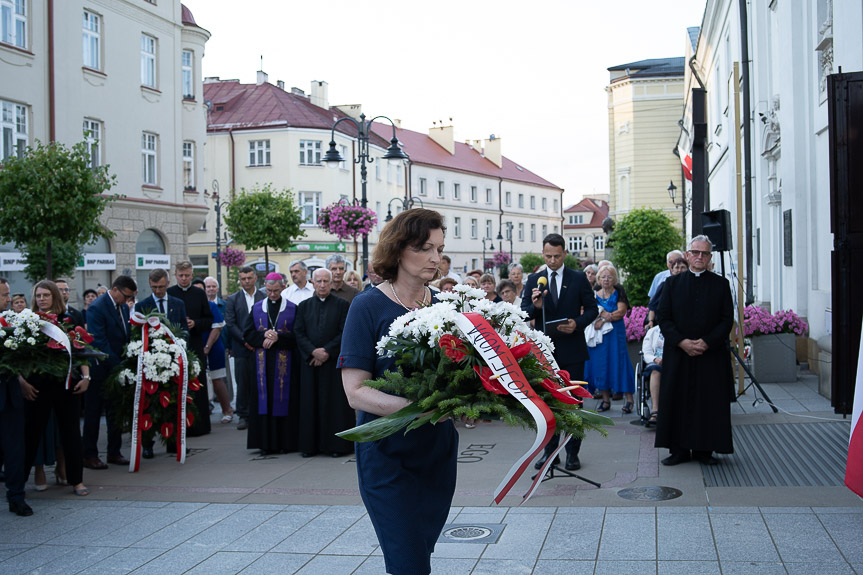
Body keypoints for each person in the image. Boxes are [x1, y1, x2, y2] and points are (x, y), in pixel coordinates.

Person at [338, 209, 458, 575]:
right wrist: (416, 409)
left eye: (439, 249)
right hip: (387, 456)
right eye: (425, 248)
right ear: (399, 249)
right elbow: (355, 392)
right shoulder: (367, 306)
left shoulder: (447, 307)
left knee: (420, 551)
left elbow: (459, 379)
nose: (436, 259)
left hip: (437, 454)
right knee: (408, 562)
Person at [655, 235, 734, 466]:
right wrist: (682, 342)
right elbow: (663, 317)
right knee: (676, 400)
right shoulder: (671, 284)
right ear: (687, 255)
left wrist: (707, 342)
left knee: (707, 402)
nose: (700, 257)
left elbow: (726, 319)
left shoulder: (721, 284)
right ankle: (678, 450)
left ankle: (704, 450)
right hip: (679, 354)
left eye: (705, 254)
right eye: (695, 253)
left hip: (710, 354)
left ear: (710, 258)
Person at [522, 233, 598, 471]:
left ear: (564, 254)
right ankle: (550, 453)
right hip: (545, 353)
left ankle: (573, 453)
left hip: (573, 350)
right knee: (547, 403)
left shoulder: (578, 278)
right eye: (548, 256)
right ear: (542, 254)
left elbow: (593, 310)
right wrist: (534, 307)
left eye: (556, 256)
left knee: (574, 404)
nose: (552, 260)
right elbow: (524, 312)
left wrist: (577, 322)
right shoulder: (535, 279)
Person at [22, 281, 91, 497]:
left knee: (71, 434)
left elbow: (80, 349)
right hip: (37, 386)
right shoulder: (28, 321)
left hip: (66, 384)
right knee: (32, 434)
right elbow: (18, 355)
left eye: (46, 295)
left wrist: (87, 376)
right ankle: (19, 481)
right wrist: (22, 382)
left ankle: (76, 481)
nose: (42, 299)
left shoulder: (69, 320)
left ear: (55, 297)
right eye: (39, 295)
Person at [294, 268, 352, 458]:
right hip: (310, 362)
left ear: (331, 283)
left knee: (334, 405)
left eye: (325, 281)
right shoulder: (303, 306)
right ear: (312, 282)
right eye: (318, 281)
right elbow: (298, 332)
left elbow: (344, 332)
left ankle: (336, 446)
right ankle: (309, 446)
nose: (322, 285)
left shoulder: (342, 305)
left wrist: (326, 351)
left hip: (332, 362)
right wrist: (313, 351)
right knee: (309, 403)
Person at [242, 273, 300, 454]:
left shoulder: (292, 308)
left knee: (283, 401)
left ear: (282, 287)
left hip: (285, 363)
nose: (272, 294)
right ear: (264, 288)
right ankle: (265, 444)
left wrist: (278, 337)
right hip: (262, 364)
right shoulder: (257, 308)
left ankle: (286, 443)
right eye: (269, 291)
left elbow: (298, 335)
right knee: (263, 401)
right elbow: (248, 333)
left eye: (276, 291)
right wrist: (264, 336)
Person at [83, 275, 137, 470]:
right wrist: (119, 364)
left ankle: (114, 451)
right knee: (93, 412)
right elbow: (99, 342)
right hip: (100, 368)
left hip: (117, 366)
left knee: (116, 411)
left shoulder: (122, 306)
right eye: (125, 295)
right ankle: (89, 454)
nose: (127, 300)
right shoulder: (97, 307)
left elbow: (124, 333)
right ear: (115, 290)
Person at [167, 261, 213, 437]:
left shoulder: (199, 294)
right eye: (181, 275)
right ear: (176, 275)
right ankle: (177, 427)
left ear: (192, 275)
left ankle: (200, 426)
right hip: (174, 346)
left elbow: (208, 319)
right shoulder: (169, 293)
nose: (184, 278)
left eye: (187, 275)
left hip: (195, 343)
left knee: (197, 384)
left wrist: (196, 323)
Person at [0, 278, 32, 516]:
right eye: (3, 295)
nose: (8, 300)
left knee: (15, 449)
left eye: (8, 294)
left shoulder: (11, 322)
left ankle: (16, 496)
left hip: (11, 396)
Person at [584, 265, 635, 413]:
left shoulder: (618, 292)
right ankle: (605, 400)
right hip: (599, 336)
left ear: (615, 279)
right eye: (603, 277)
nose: (606, 279)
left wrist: (605, 318)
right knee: (601, 365)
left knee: (620, 362)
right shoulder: (594, 293)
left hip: (615, 334)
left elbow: (621, 312)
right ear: (598, 279)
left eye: (610, 276)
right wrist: (601, 317)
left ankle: (629, 399)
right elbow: (588, 311)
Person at [225, 266, 265, 431]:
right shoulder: (233, 299)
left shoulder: (263, 296)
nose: (246, 281)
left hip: (262, 347)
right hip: (241, 348)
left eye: (249, 278)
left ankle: (260, 413)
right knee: (242, 381)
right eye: (243, 278)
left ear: (255, 278)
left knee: (261, 381)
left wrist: (258, 341)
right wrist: (246, 341)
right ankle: (243, 415)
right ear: (239, 280)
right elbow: (230, 323)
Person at [204, 276, 233, 404]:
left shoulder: (225, 305)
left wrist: (230, 345)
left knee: (224, 377)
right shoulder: (201, 306)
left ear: (218, 288)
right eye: (208, 287)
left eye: (213, 286)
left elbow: (230, 326)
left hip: (222, 344)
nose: (211, 289)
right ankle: (209, 403)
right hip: (205, 345)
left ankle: (228, 404)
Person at [647, 258, 688, 328]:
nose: (680, 270)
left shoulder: (691, 285)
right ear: (672, 270)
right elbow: (653, 306)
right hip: (668, 325)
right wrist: (651, 321)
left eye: (683, 267)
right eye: (677, 267)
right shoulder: (664, 285)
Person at [641, 324, 664, 426]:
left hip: (673, 362)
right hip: (655, 362)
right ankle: (655, 410)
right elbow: (646, 352)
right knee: (655, 371)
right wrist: (655, 359)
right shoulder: (652, 331)